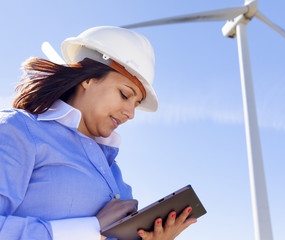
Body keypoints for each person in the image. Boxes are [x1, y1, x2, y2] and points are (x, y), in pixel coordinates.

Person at [0, 26, 197, 240]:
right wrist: (93, 229)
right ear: (88, 78)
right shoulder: (19, 130)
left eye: (136, 104)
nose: (131, 113)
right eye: (124, 94)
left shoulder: (115, 175)